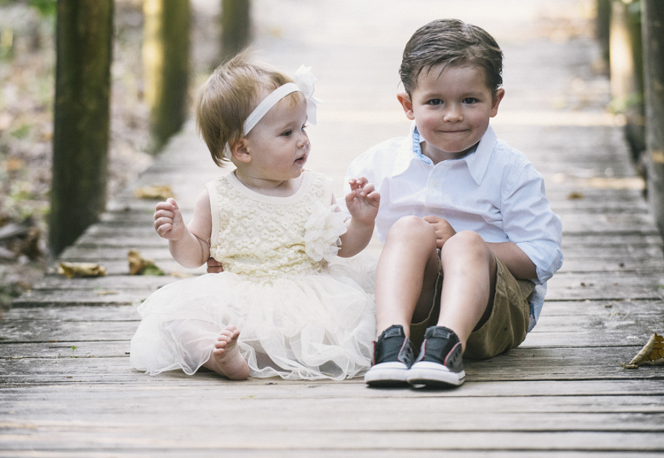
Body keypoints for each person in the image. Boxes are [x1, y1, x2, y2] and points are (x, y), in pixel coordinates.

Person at [130, 52, 380, 381]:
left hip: (307, 300)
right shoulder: (217, 197)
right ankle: (218, 355)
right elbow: (196, 256)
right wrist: (179, 236)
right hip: (240, 298)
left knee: (363, 319)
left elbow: (343, 247)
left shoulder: (316, 189)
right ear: (243, 149)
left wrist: (361, 222)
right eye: (287, 133)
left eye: (302, 127)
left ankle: (274, 353)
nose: (303, 140)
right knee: (174, 319)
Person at [346, 19, 563, 388]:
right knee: (408, 228)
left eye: (469, 100)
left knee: (465, 243)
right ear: (407, 105)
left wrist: (458, 241)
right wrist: (360, 222)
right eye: (435, 102)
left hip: (491, 319)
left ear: (495, 102)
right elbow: (333, 240)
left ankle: (447, 346)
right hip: (417, 308)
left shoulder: (510, 171)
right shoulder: (376, 166)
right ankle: (391, 342)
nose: (453, 115)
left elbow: (543, 254)